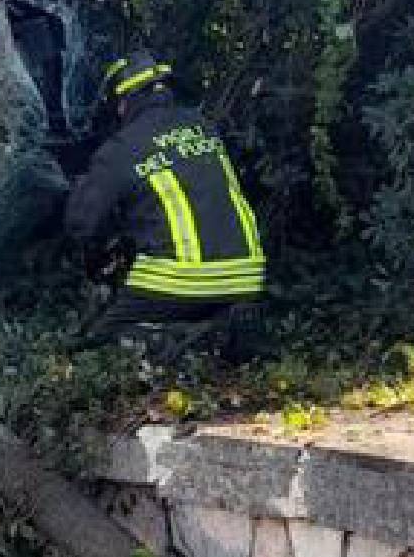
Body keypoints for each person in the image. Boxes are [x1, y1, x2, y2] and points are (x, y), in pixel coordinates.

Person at [63, 52, 266, 349]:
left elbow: (81, 224)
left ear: (122, 101)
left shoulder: (123, 147)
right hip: (245, 278)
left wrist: (81, 184)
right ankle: (214, 330)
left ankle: (167, 343)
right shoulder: (203, 127)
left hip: (178, 281)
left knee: (91, 346)